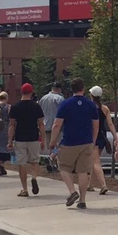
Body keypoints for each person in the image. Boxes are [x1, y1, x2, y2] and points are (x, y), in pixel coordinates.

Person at [49, 77, 101, 209]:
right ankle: (82, 200)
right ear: (83, 88)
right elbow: (96, 126)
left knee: (64, 167)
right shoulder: (91, 105)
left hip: (69, 142)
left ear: (71, 89)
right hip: (86, 142)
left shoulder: (66, 104)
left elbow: (57, 125)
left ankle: (72, 192)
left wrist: (53, 141)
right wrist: (93, 141)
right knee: (83, 171)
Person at [7, 83, 46, 196]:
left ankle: (25, 189)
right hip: (33, 137)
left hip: (20, 138)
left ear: (21, 92)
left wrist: (10, 141)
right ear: (31, 92)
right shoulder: (36, 106)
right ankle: (34, 177)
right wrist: (43, 140)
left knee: (22, 163)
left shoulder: (15, 107)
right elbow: (41, 124)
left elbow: (12, 125)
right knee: (35, 161)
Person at [88, 86, 112, 195]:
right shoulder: (105, 108)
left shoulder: (89, 106)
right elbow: (110, 124)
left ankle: (103, 185)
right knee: (94, 161)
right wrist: (115, 138)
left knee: (96, 162)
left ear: (91, 95)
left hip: (93, 135)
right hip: (102, 136)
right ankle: (90, 185)